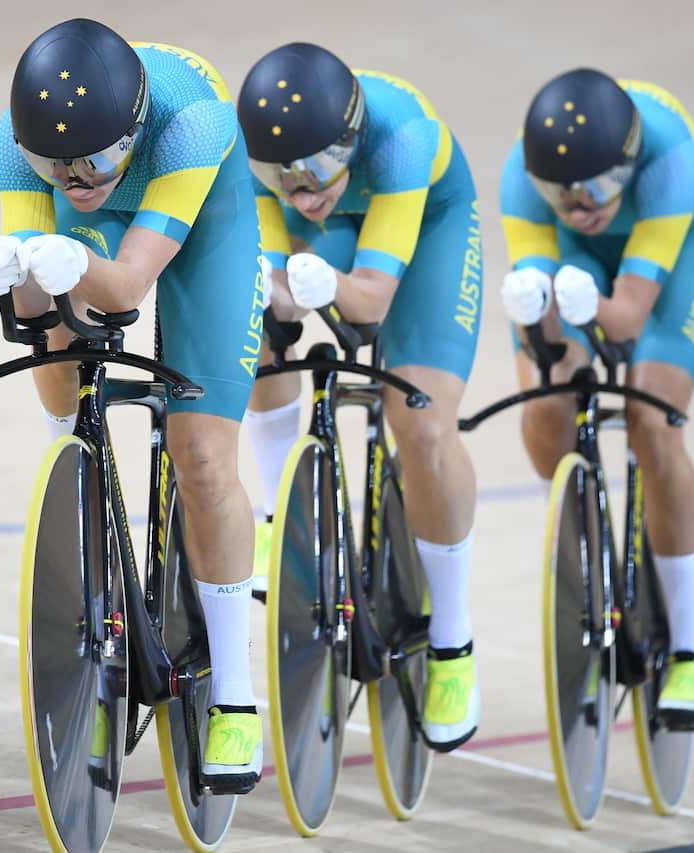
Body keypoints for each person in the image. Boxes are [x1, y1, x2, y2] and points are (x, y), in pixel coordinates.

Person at [0, 18, 265, 783]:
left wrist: (65, 258)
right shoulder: (20, 143)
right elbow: (35, 317)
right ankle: (74, 466)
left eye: (94, 162)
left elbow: (126, 287)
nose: (76, 180)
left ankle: (236, 696)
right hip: (105, 219)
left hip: (207, 219)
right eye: (54, 167)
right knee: (57, 341)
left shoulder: (192, 125)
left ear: (130, 131)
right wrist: (16, 270)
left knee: (203, 457)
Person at [236, 42, 483, 751]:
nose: (300, 190)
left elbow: (369, 304)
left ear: (349, 142)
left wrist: (327, 284)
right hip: (334, 235)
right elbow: (273, 277)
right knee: (257, 325)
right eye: (280, 177)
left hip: (426, 231)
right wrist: (278, 289)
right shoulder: (267, 161)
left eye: (315, 170)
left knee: (422, 423)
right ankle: (280, 511)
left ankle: (454, 640)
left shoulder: (404, 138)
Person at [499, 68, 694, 729]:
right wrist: (538, 314)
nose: (580, 207)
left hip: (669, 262)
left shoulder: (671, 158)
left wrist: (591, 306)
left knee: (653, 421)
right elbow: (545, 337)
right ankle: (578, 528)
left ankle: (691, 650)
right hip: (576, 264)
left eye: (597, 189)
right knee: (547, 398)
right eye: (561, 196)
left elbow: (625, 319)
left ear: (627, 164)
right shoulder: (521, 176)